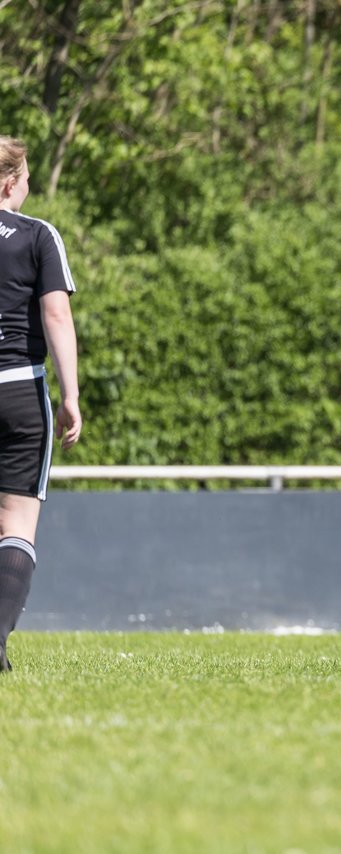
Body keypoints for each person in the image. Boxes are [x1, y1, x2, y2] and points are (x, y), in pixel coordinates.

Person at [0, 136, 81, 671]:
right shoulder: (37, 236)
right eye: (27, 177)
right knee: (16, 523)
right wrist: (71, 394)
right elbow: (56, 316)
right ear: (11, 182)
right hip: (18, 388)